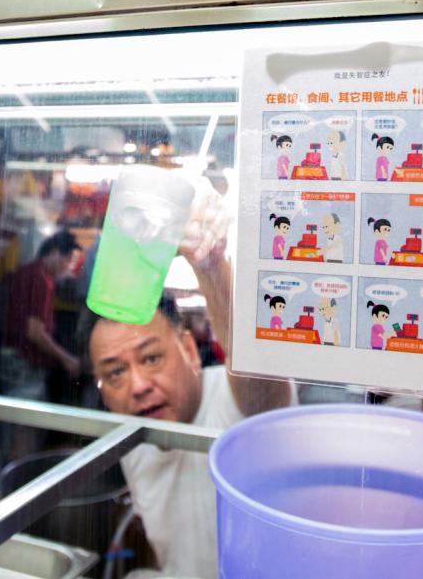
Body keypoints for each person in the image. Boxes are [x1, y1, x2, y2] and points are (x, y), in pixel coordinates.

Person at [81, 181, 292, 579]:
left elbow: (258, 376)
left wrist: (210, 263)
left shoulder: (233, 399)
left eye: (151, 357)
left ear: (191, 351)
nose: (139, 385)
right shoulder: (135, 440)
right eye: (115, 372)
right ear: (102, 391)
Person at [3, 230, 83, 406]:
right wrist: (67, 359)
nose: (68, 267)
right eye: (68, 260)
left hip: (15, 358)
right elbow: (35, 332)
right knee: (26, 424)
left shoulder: (29, 271)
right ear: (54, 252)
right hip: (26, 362)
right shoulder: (41, 280)